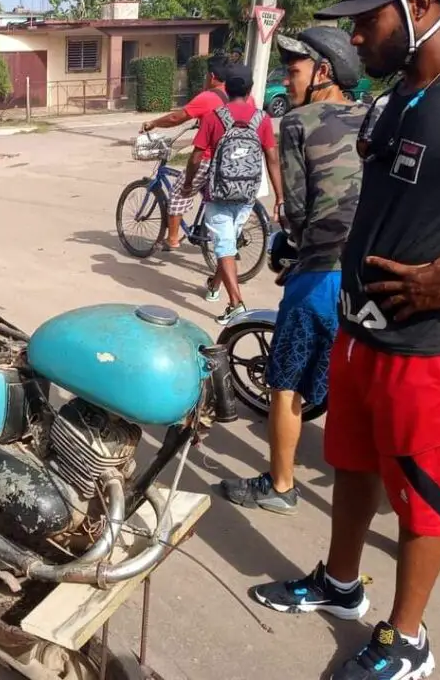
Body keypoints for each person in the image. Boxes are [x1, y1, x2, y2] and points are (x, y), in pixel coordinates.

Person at [251, 0, 440, 679]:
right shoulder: (393, 97)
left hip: (432, 345)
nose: (357, 33)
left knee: (424, 494)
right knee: (351, 465)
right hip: (359, 332)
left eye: (368, 16)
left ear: (422, 3)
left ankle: (408, 640)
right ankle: (339, 583)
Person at [220, 27, 366, 515]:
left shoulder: (300, 122)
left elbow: (298, 210)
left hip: (322, 273)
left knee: (285, 383)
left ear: (323, 71)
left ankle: (281, 486)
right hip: (370, 276)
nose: (289, 79)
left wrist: (294, 247)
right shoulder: (373, 118)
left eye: (295, 69)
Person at [181, 63, 282, 325]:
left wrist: (188, 183)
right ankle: (214, 287)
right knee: (227, 243)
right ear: (249, 90)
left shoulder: (216, 117)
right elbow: (272, 158)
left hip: (219, 193)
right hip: (247, 194)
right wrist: (280, 196)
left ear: (226, 88)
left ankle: (236, 304)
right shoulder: (262, 119)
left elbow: (195, 156)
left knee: (224, 245)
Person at [140, 56, 237, 250]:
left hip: (209, 158)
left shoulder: (208, 97)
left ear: (211, 76)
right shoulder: (238, 95)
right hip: (234, 158)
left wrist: (154, 123)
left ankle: (173, 239)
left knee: (178, 192)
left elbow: (177, 117)